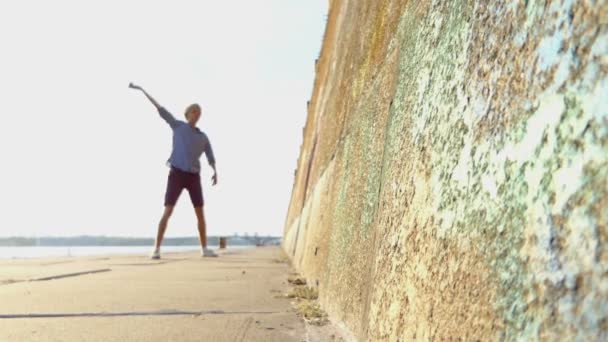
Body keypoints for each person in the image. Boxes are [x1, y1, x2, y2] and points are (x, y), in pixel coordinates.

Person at [129, 83, 218, 258]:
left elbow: (210, 154)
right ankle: (156, 249)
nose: (197, 113)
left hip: (193, 177)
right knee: (168, 211)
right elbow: (159, 108)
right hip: (177, 174)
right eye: (194, 111)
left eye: (199, 112)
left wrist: (215, 170)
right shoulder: (177, 125)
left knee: (200, 212)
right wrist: (142, 90)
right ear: (187, 114)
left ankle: (204, 249)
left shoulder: (203, 136)